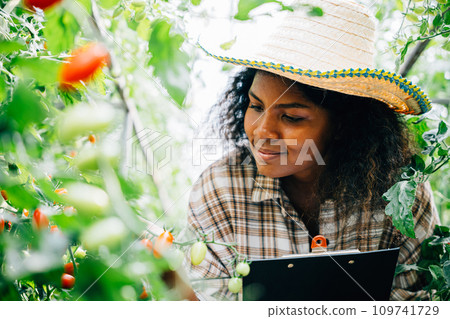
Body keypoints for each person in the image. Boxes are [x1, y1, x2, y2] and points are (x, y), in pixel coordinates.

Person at [185, 0, 441, 301]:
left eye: (291, 117)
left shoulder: (401, 191)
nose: (261, 131)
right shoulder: (219, 191)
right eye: (255, 106)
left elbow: (419, 298)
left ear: (345, 125)